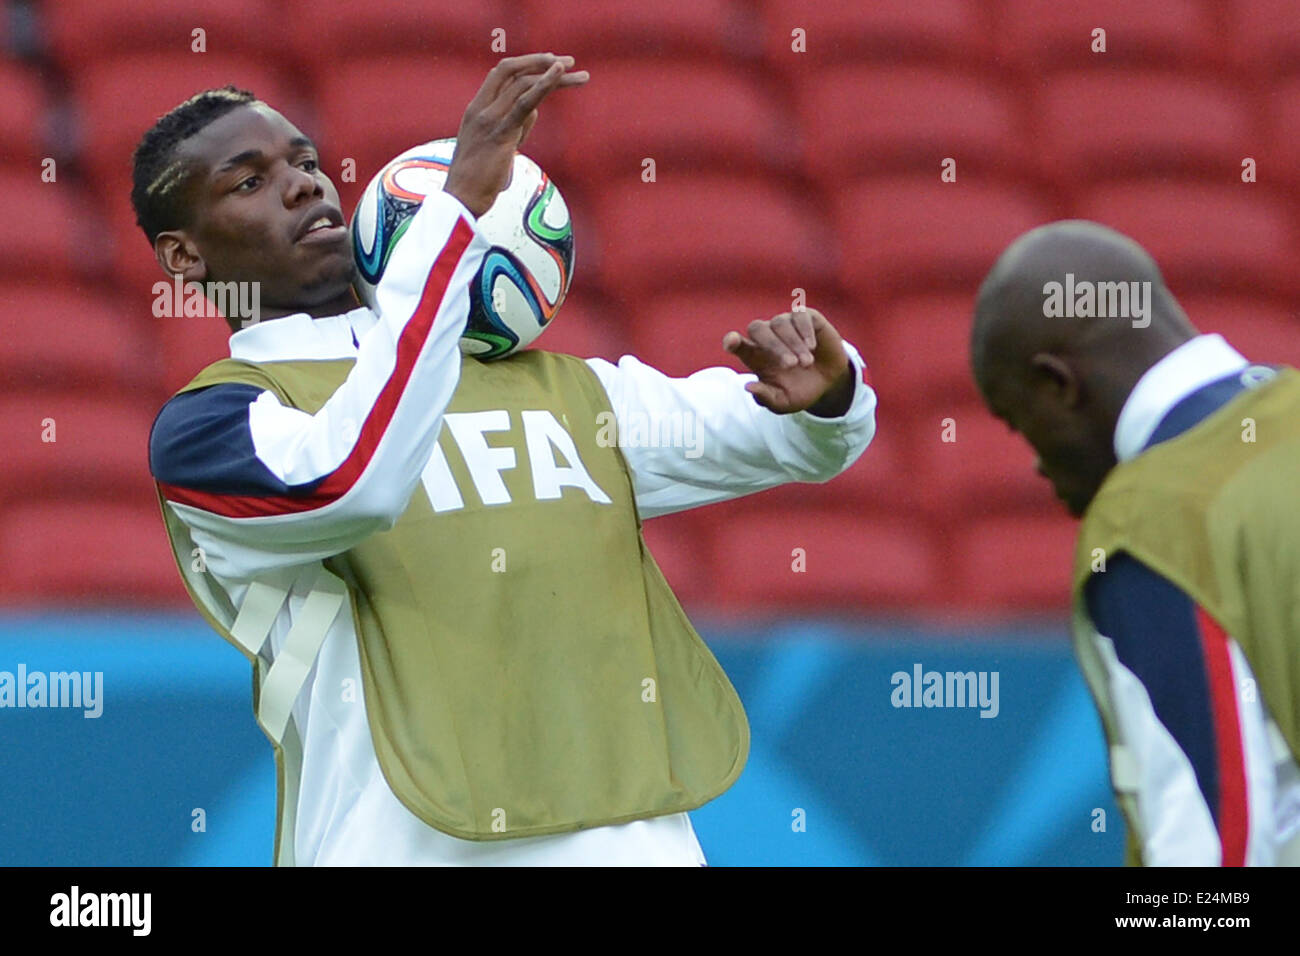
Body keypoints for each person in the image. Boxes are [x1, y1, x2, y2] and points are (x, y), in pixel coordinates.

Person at [139, 53, 878, 865]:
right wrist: (452, 215)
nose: (304, 186)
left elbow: (783, 438)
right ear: (183, 258)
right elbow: (353, 479)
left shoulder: (556, 388)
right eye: (249, 182)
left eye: (307, 163)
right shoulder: (214, 429)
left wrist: (827, 399)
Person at [971, 219, 1300, 866]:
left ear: (1058, 385)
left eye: (1019, 423)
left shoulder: (1148, 522)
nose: (1036, 465)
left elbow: (1208, 856)